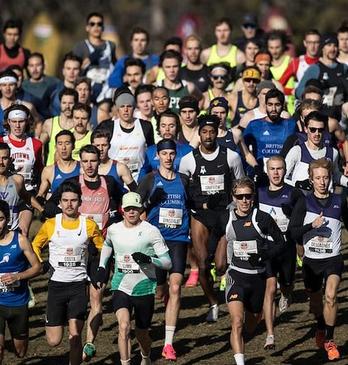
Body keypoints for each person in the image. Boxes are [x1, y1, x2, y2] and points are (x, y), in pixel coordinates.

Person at [179, 115, 245, 321]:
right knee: (203, 264)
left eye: (212, 132)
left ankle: (228, 287)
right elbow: (182, 190)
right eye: (204, 132)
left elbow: (240, 183)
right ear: (198, 134)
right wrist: (197, 202)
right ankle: (213, 303)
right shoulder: (189, 160)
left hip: (224, 213)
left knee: (221, 265)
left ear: (217, 133)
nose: (208, 136)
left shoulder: (231, 156)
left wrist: (237, 208)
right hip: (200, 215)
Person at [32, 181, 104, 365]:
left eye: (73, 200)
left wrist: (98, 267)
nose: (69, 204)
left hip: (78, 286)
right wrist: (41, 263)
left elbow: (103, 247)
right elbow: (35, 245)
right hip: (56, 286)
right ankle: (55, 319)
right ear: (60, 203)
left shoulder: (88, 225)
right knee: (53, 341)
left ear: (80, 202)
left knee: (75, 335)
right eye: (65, 200)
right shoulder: (50, 224)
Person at [95, 192, 171, 365]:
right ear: (122, 210)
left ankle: (146, 356)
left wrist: (150, 260)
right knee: (123, 327)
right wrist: (101, 267)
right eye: (128, 209)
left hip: (144, 287)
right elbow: (107, 246)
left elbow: (167, 263)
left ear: (140, 209)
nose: (131, 212)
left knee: (141, 333)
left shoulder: (151, 231)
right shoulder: (114, 230)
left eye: (135, 209)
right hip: (121, 285)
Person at [289, 158, 348, 361]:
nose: (322, 182)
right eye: (318, 178)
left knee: (331, 296)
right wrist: (311, 226)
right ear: (311, 179)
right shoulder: (304, 202)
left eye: (325, 177)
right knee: (315, 305)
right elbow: (293, 232)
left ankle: (330, 340)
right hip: (311, 261)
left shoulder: (340, 200)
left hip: (333, 258)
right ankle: (321, 326)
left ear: (330, 178)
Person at [137, 139, 190, 360]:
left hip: (178, 240)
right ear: (157, 156)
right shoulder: (149, 180)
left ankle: (168, 344)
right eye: (164, 154)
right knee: (159, 292)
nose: (168, 158)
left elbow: (193, 206)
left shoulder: (185, 181)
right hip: (155, 243)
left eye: (171, 154)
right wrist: (149, 204)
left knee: (176, 287)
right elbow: (135, 213)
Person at [225, 177, 286, 365]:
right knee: (236, 321)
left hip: (257, 278)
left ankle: (250, 328)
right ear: (233, 197)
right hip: (235, 275)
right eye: (240, 196)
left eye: (248, 196)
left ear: (253, 197)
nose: (244, 200)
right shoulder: (225, 217)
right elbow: (214, 235)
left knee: (251, 324)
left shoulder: (262, 218)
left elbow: (280, 243)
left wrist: (263, 256)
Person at [258, 156, 302, 349]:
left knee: (286, 284)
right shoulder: (258, 193)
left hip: (287, 247)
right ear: (267, 171)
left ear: (285, 171)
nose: (276, 173)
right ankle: (270, 335)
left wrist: (292, 214)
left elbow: (300, 220)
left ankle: (287, 293)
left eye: (280, 169)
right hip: (267, 247)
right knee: (269, 289)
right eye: (272, 169)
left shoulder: (293, 194)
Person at [0, 200, 40, 364]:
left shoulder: (21, 240)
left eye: (0, 218)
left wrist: (18, 277)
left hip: (18, 302)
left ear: (7, 219)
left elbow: (37, 267)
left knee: (20, 351)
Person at [1, 104, 44, 236]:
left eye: (21, 121)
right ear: (8, 122)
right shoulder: (1, 141)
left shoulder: (36, 144)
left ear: (27, 122)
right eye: (14, 122)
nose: (17, 126)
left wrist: (41, 194)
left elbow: (40, 169)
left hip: (27, 194)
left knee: (23, 233)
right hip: (6, 193)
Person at [96, 91, 154, 182]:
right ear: (117, 109)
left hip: (138, 177)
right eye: (122, 106)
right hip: (114, 178)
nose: (126, 110)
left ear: (134, 108)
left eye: (129, 106)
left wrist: (145, 172)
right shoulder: (108, 127)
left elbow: (152, 151)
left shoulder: (145, 126)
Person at [284, 111, 348, 189]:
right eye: (313, 129)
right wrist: (297, 184)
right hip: (301, 199)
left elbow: (336, 175)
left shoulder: (333, 153)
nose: (317, 134)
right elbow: (282, 178)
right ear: (306, 129)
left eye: (320, 130)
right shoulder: (297, 151)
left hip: (326, 200)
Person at [295, 33, 348, 121]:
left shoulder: (343, 68)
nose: (332, 49)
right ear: (322, 48)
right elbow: (299, 92)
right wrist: (316, 92)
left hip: (341, 110)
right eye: (329, 45)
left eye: (335, 46)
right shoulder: (315, 68)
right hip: (322, 110)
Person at [243, 89, 296, 171]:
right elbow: (242, 151)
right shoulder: (254, 125)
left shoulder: (291, 125)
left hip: (284, 172)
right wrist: (254, 168)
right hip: (261, 173)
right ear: (266, 105)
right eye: (270, 104)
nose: (273, 109)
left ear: (282, 106)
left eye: (277, 105)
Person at [73, 12, 117, 102]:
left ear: (103, 27)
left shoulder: (111, 46)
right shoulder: (80, 47)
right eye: (92, 24)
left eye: (99, 24)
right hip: (88, 94)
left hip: (108, 93)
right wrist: (88, 61)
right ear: (87, 28)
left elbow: (115, 67)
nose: (96, 27)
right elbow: (75, 73)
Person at [0, 142, 43, 231]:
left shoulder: (17, 180)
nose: (1, 162)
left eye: (4, 158)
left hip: (12, 231)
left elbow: (26, 196)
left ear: (10, 160)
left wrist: (42, 210)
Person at [139, 110, 192, 180]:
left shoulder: (188, 150)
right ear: (159, 128)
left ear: (177, 127)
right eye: (163, 126)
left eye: (171, 126)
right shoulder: (150, 151)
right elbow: (143, 175)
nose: (167, 129)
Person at [40, 88, 78, 166]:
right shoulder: (49, 123)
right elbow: (40, 147)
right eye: (64, 103)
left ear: (76, 104)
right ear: (60, 103)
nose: (67, 106)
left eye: (71, 103)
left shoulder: (81, 125)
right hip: (53, 171)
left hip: (74, 172)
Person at [37, 130, 80, 198]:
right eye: (60, 144)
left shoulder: (82, 167)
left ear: (73, 146)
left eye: (67, 143)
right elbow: (41, 196)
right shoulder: (48, 171)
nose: (63, 148)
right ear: (56, 147)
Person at [0, 70, 41, 136]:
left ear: (16, 86)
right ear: (0, 87)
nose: (7, 88)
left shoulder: (27, 106)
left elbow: (38, 123)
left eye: (11, 84)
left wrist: (37, 139)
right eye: (4, 85)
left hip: (22, 144)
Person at [279, 30, 321, 96]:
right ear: (305, 43)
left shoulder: (324, 62)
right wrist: (292, 91)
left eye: (316, 42)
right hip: (301, 103)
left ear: (320, 43)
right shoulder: (296, 62)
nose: (313, 46)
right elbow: (279, 85)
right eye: (310, 42)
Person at [22, 52, 60, 119]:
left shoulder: (54, 83)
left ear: (43, 66)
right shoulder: (22, 85)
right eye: (31, 65)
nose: (35, 69)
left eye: (38, 65)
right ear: (27, 67)